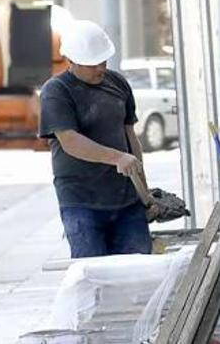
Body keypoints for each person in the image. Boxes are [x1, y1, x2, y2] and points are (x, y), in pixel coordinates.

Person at [39, 20, 153, 258]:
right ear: (71, 61)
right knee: (92, 275)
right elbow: (70, 141)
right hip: (81, 202)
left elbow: (130, 136)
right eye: (92, 65)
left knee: (136, 271)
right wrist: (117, 157)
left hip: (127, 201)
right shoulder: (57, 91)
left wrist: (145, 191)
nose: (100, 68)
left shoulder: (118, 83)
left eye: (103, 61)